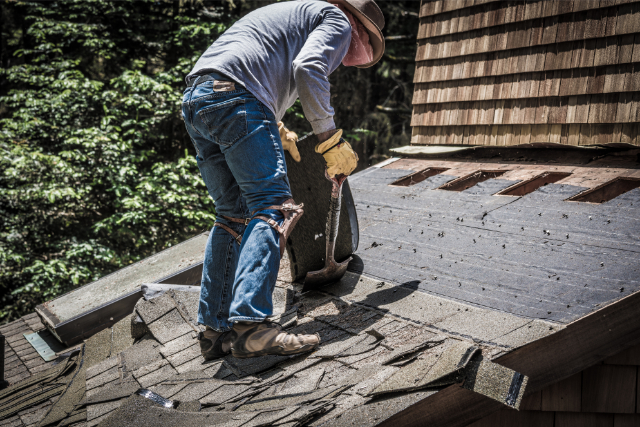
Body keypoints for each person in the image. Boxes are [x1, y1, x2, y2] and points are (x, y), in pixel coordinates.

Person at [181, 0, 385, 360]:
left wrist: (277, 126)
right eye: (365, 43)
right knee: (274, 207)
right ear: (360, 28)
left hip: (199, 99)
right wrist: (330, 139)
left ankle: (216, 331)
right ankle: (251, 327)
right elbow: (308, 67)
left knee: (232, 215)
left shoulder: (295, 15)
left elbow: (252, 66)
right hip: (238, 98)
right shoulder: (335, 18)